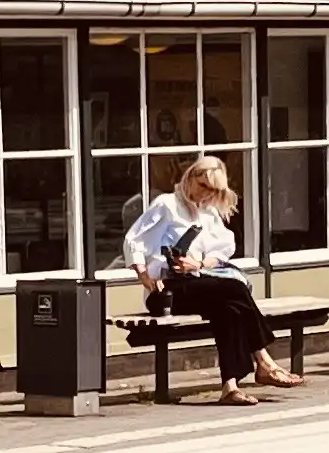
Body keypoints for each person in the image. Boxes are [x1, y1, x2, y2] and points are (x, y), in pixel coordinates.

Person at [124, 155, 294, 405]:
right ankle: (264, 361)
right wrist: (145, 276)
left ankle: (230, 387)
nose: (205, 194)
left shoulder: (208, 212)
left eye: (212, 190)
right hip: (166, 290)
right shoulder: (166, 205)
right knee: (235, 287)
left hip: (197, 282)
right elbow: (135, 240)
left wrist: (199, 264)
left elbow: (222, 250)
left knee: (229, 310)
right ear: (191, 177)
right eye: (203, 186)